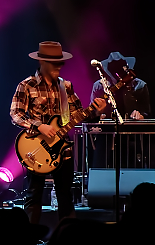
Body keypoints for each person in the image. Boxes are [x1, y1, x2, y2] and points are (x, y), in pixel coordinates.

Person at [9, 41, 105, 225]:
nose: (59, 67)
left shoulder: (65, 86)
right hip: (36, 148)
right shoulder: (27, 85)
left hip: (62, 150)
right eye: (54, 64)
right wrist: (39, 126)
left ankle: (67, 240)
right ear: (42, 63)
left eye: (60, 63)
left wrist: (96, 111)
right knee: (33, 196)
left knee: (65, 196)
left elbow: (78, 114)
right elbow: (16, 114)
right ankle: (28, 241)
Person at [90, 52, 150, 120]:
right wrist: (99, 113)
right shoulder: (99, 86)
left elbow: (147, 112)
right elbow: (91, 115)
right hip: (108, 129)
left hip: (131, 128)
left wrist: (141, 115)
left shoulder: (140, 85)